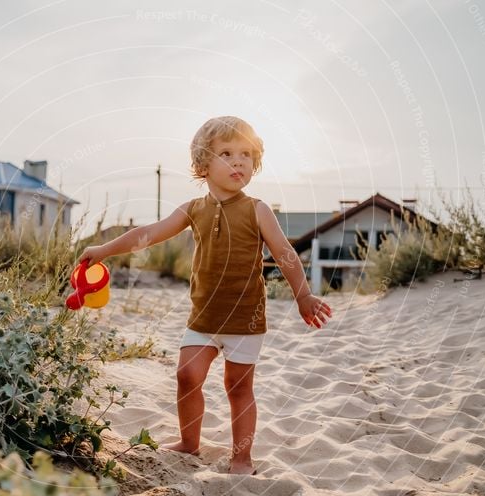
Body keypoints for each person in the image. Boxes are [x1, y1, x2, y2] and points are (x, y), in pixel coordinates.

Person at [79, 116, 333, 475]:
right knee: (187, 374)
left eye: (246, 154)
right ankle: (189, 442)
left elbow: (284, 254)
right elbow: (149, 234)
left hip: (245, 319)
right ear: (203, 165)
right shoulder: (193, 209)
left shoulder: (257, 209)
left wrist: (303, 295)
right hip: (203, 317)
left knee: (238, 388)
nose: (238, 161)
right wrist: (105, 249)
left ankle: (241, 458)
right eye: (226, 153)